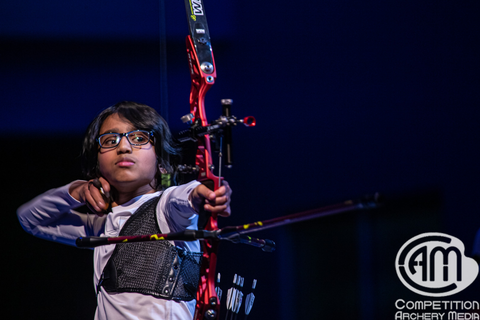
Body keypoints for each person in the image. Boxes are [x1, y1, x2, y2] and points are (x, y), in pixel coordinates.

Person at [17, 101, 231, 320]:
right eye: (110, 140)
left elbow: (187, 196)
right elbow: (30, 219)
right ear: (98, 163)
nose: (123, 147)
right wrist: (76, 190)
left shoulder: (166, 208)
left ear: (161, 162)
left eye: (139, 138)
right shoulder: (100, 226)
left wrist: (205, 192)